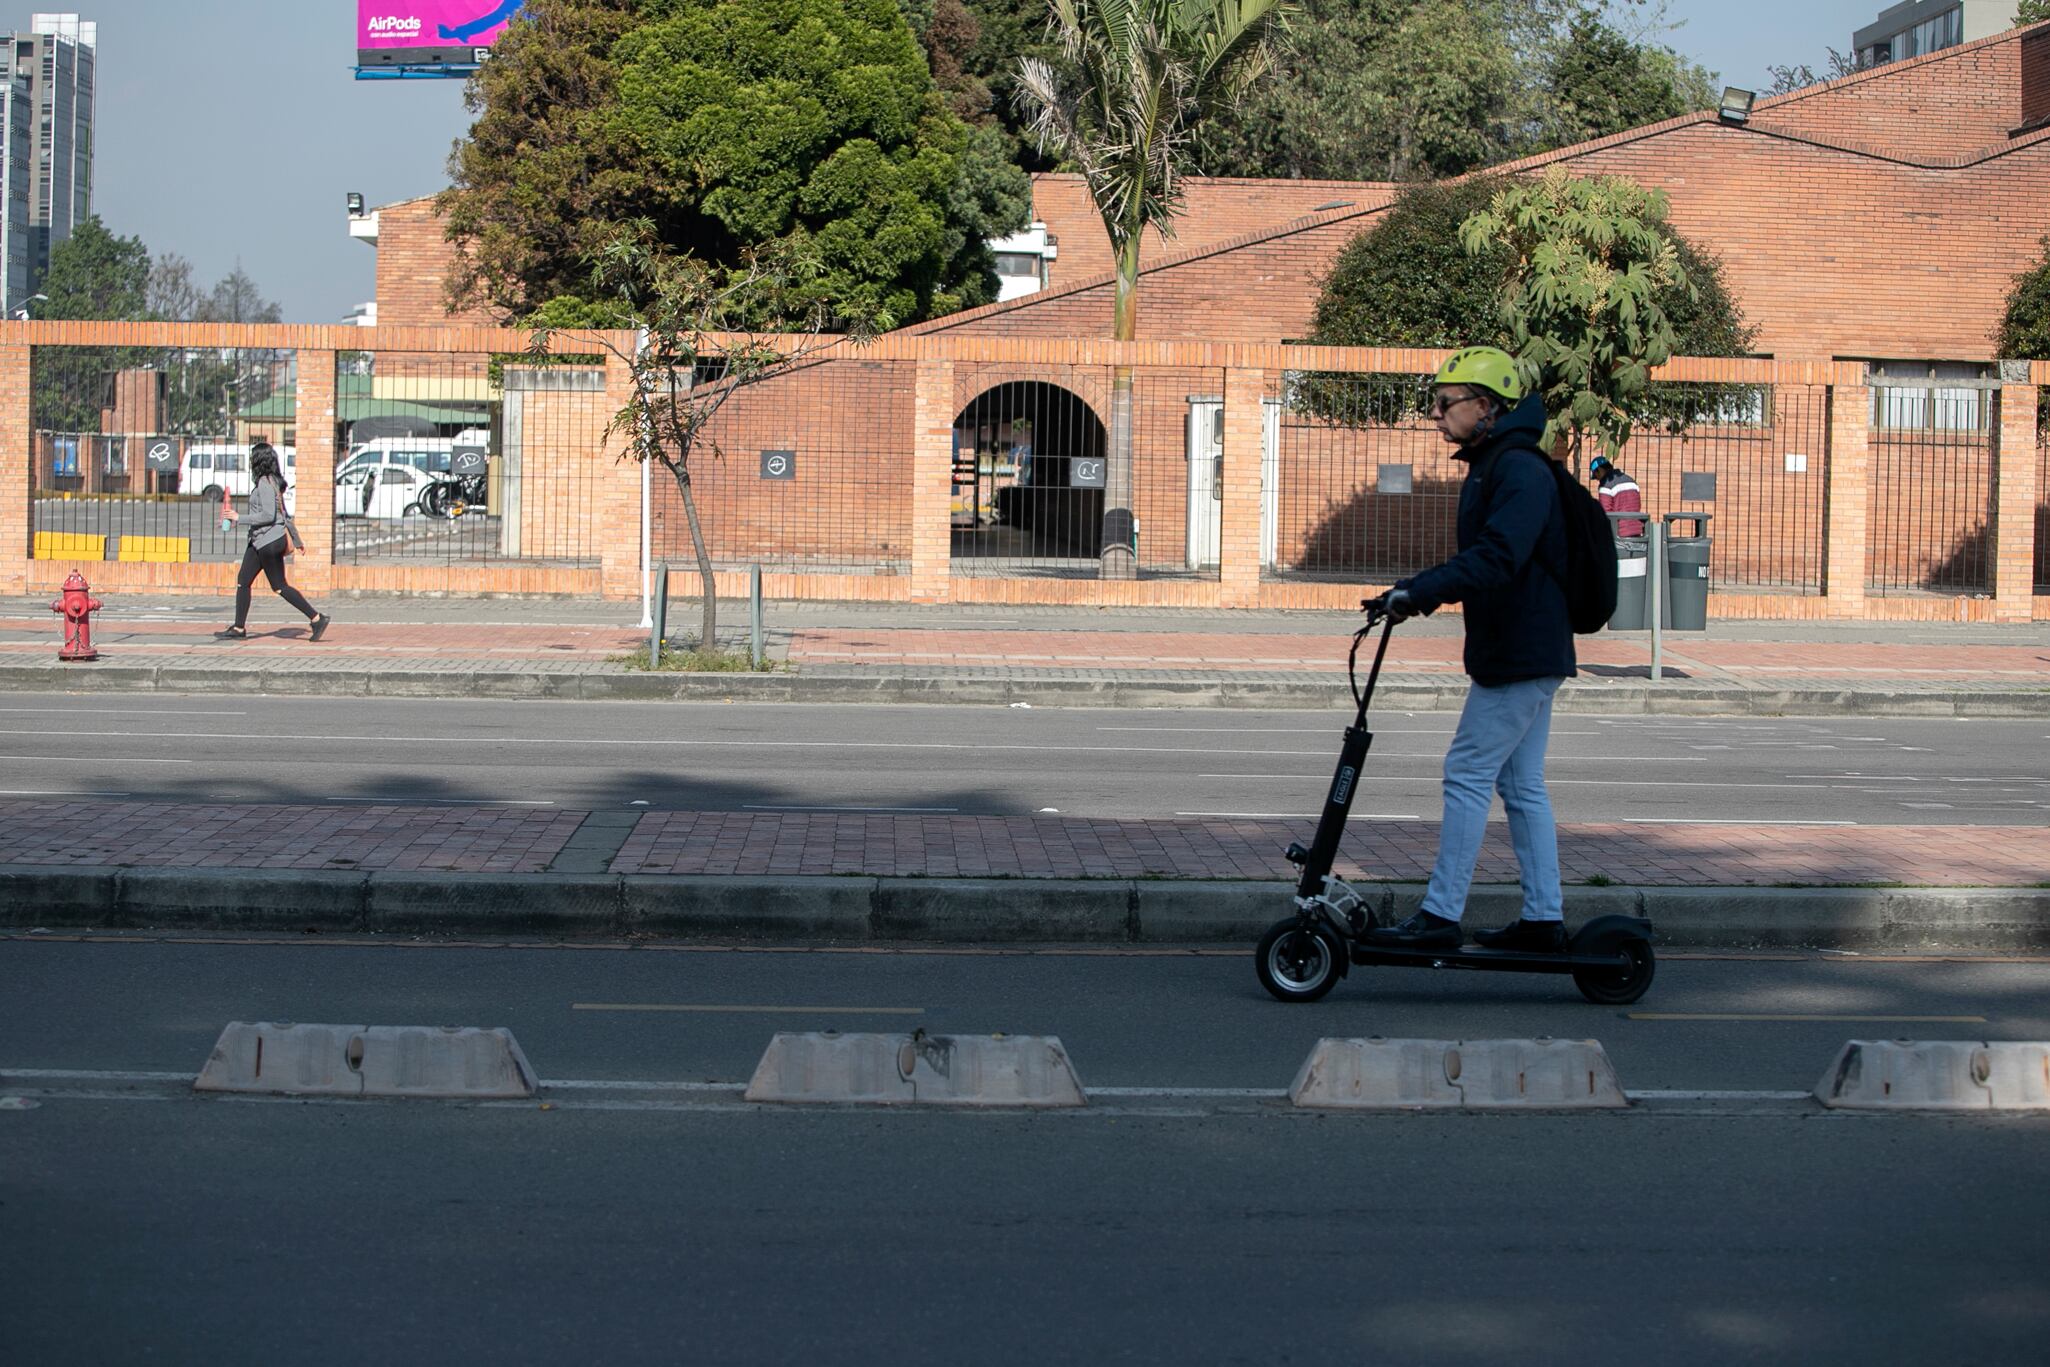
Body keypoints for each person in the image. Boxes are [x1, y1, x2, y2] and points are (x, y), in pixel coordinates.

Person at [1363, 346, 1573, 953]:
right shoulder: (1495, 464)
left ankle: (1440, 915)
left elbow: (1498, 557)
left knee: (1467, 772)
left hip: (1520, 653)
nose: (1435, 414)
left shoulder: (1518, 470)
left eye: (1445, 403)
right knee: (1520, 782)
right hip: (1522, 650)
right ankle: (1542, 920)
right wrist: (1415, 592)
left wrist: (1418, 592)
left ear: (1484, 407)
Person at [215, 442, 330, 642]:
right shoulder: (271, 482)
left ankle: (317, 618)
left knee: (279, 586)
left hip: (268, 541)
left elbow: (269, 515)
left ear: (259, 460)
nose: (250, 461)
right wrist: (296, 539)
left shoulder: (265, 484)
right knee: (244, 580)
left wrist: (239, 518)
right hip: (259, 540)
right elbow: (283, 514)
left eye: (253, 457)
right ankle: (239, 628)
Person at [1589, 455, 1643, 538]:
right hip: (1638, 533)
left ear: (1599, 470)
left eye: (1596, 475)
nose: (1597, 479)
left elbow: (1605, 513)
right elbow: (1637, 506)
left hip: (1619, 535)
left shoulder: (1606, 485)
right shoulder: (1631, 481)